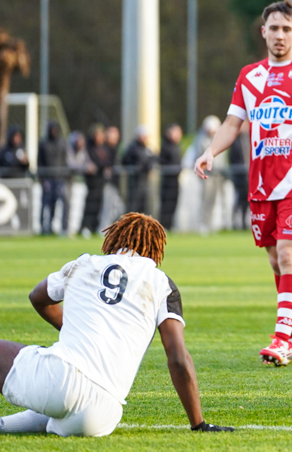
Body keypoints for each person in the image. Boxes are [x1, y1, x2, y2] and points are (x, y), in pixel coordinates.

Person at [193, 0, 292, 366]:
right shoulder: (249, 76)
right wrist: (211, 151)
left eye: (286, 29)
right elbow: (232, 124)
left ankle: (280, 340)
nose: (279, 35)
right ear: (263, 32)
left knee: (290, 254)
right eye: (273, 28)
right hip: (261, 183)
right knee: (277, 262)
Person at [0, 213, 233, 436]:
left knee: (55, 388)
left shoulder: (84, 264)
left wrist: (72, 327)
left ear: (113, 239)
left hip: (60, 379)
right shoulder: (162, 282)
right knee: (57, 408)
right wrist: (198, 424)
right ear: (155, 249)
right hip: (103, 413)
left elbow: (37, 297)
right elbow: (178, 357)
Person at [38, 121, 69, 235]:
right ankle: (44, 227)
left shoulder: (61, 143)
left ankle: (63, 228)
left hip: (59, 178)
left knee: (61, 203)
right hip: (47, 179)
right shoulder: (43, 143)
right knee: (46, 204)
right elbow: (40, 162)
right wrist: (43, 179)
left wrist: (64, 176)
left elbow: (64, 161)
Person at [80, 126, 110, 237]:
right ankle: (86, 227)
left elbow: (106, 162)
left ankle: (95, 226)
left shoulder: (104, 149)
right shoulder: (89, 148)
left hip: (101, 182)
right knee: (90, 205)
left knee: (99, 205)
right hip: (92, 182)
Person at [121, 126, 155, 214]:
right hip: (134, 181)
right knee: (133, 205)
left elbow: (152, 159)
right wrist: (137, 166)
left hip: (144, 181)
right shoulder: (132, 147)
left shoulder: (147, 148)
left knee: (143, 205)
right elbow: (125, 161)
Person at [159, 124, 183, 231]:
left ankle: (170, 225)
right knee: (166, 204)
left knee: (174, 203)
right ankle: (164, 225)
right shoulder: (165, 146)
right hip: (168, 180)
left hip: (175, 179)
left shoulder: (177, 147)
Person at [228, 122, 251, 230]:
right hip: (239, 176)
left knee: (248, 200)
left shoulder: (250, 138)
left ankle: (247, 223)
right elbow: (231, 158)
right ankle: (238, 223)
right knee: (239, 200)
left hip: (250, 176)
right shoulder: (235, 141)